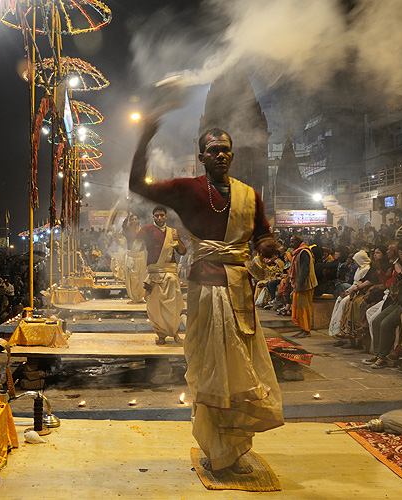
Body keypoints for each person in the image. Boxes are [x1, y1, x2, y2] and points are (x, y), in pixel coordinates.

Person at [130, 119, 283, 474]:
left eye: (226, 149)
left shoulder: (249, 195)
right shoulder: (186, 189)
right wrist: (145, 139)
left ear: (232, 155)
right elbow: (137, 185)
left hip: (239, 293)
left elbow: (262, 233)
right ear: (202, 157)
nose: (221, 155)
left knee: (241, 371)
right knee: (212, 371)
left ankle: (233, 447)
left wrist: (266, 246)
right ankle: (217, 449)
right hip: (206, 290)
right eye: (214, 150)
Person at [137, 206, 187, 345]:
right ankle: (161, 335)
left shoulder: (173, 232)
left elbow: (182, 252)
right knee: (155, 306)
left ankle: (175, 332)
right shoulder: (146, 230)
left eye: (162, 215)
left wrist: (178, 241)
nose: (159, 218)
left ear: (166, 216)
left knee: (173, 305)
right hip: (154, 274)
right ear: (153, 217)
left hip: (170, 273)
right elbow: (132, 239)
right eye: (157, 215)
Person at [289, 234, 318, 338]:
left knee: (304, 308)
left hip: (305, 285)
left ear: (298, 242)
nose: (291, 244)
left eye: (292, 242)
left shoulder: (304, 252)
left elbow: (305, 270)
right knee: (299, 308)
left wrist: (299, 285)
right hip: (299, 285)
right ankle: (302, 329)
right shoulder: (298, 252)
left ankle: (306, 330)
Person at [123, 213, 147, 303]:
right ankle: (134, 297)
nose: (134, 221)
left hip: (140, 257)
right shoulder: (128, 231)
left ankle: (140, 297)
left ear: (138, 220)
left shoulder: (142, 231)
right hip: (131, 257)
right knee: (132, 278)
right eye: (132, 219)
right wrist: (126, 218)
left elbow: (146, 242)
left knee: (141, 277)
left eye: (135, 219)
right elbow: (124, 227)